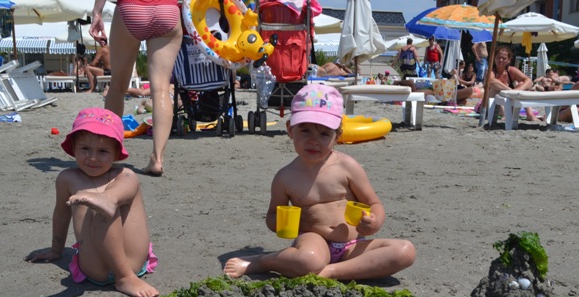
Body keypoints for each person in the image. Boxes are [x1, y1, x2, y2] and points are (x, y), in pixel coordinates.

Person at [223, 84, 416, 281]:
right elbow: (272, 216)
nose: (314, 141)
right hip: (313, 242)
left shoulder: (347, 166)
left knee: (404, 251)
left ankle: (330, 272)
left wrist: (373, 223)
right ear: (290, 130)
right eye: (305, 131)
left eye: (324, 134)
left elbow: (374, 203)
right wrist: (285, 223)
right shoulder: (285, 177)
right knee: (309, 260)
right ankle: (262, 262)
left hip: (353, 244)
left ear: (337, 136)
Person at [25, 108, 159, 297]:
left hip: (131, 258)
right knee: (98, 208)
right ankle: (123, 277)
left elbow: (126, 183)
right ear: (74, 148)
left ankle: (125, 276)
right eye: (85, 149)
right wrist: (56, 249)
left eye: (103, 151)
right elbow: (61, 214)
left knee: (126, 180)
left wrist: (106, 198)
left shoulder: (122, 175)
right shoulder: (67, 179)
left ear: (116, 153)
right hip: (94, 266)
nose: (92, 157)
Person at [90, 0, 182, 177]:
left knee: (118, 86)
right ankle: (157, 159)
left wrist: (97, 13)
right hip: (167, 10)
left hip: (131, 9)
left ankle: (108, 154)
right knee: (161, 90)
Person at [487, 45, 539, 121]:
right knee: (495, 88)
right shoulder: (490, 71)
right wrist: (511, 91)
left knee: (522, 84)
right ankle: (505, 114)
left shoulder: (511, 70)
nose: (501, 60)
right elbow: (491, 81)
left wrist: (517, 90)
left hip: (509, 103)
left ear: (509, 60)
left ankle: (529, 114)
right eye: (498, 57)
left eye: (504, 58)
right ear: (494, 58)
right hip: (492, 104)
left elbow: (529, 82)